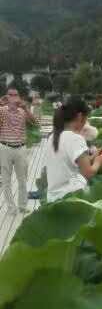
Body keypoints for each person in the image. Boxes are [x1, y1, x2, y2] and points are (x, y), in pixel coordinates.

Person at [45, 97, 102, 203]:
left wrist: (94, 156)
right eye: (86, 118)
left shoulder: (54, 136)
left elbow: (70, 162)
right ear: (80, 116)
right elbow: (88, 173)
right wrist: (98, 162)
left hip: (53, 197)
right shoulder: (76, 138)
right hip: (71, 197)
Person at [0, 87, 36, 215]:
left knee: (22, 179)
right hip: (5, 147)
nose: (13, 97)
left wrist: (26, 108)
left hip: (21, 147)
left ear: (19, 97)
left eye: (16, 95)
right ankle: (11, 208)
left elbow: (35, 122)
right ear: (7, 96)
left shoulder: (23, 111)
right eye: (11, 95)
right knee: (6, 180)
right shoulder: (2, 110)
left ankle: (22, 206)